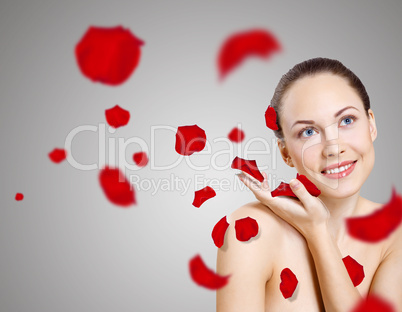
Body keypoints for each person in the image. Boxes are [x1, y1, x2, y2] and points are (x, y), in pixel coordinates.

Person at [216, 57, 402, 311]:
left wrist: (318, 232)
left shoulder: (395, 236)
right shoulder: (253, 231)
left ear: (371, 125)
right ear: (285, 153)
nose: (333, 148)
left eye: (346, 120)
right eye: (308, 132)